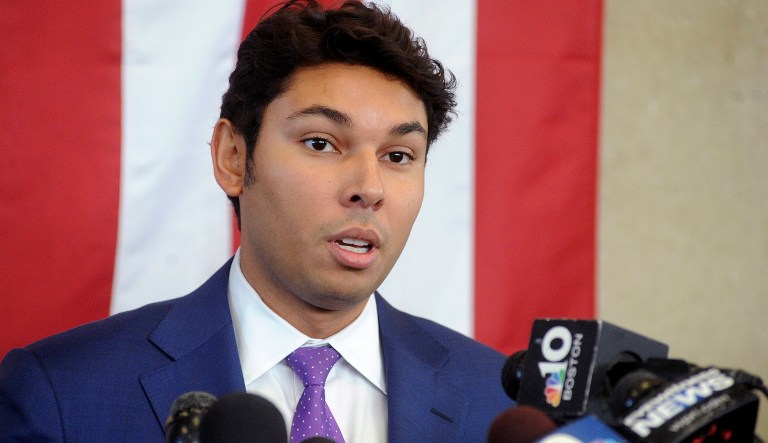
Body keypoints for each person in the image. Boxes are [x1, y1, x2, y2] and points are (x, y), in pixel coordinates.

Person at [0, 1, 513, 441]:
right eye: (321, 143)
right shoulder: (60, 394)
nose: (370, 187)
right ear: (232, 157)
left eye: (398, 156)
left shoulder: (500, 404)